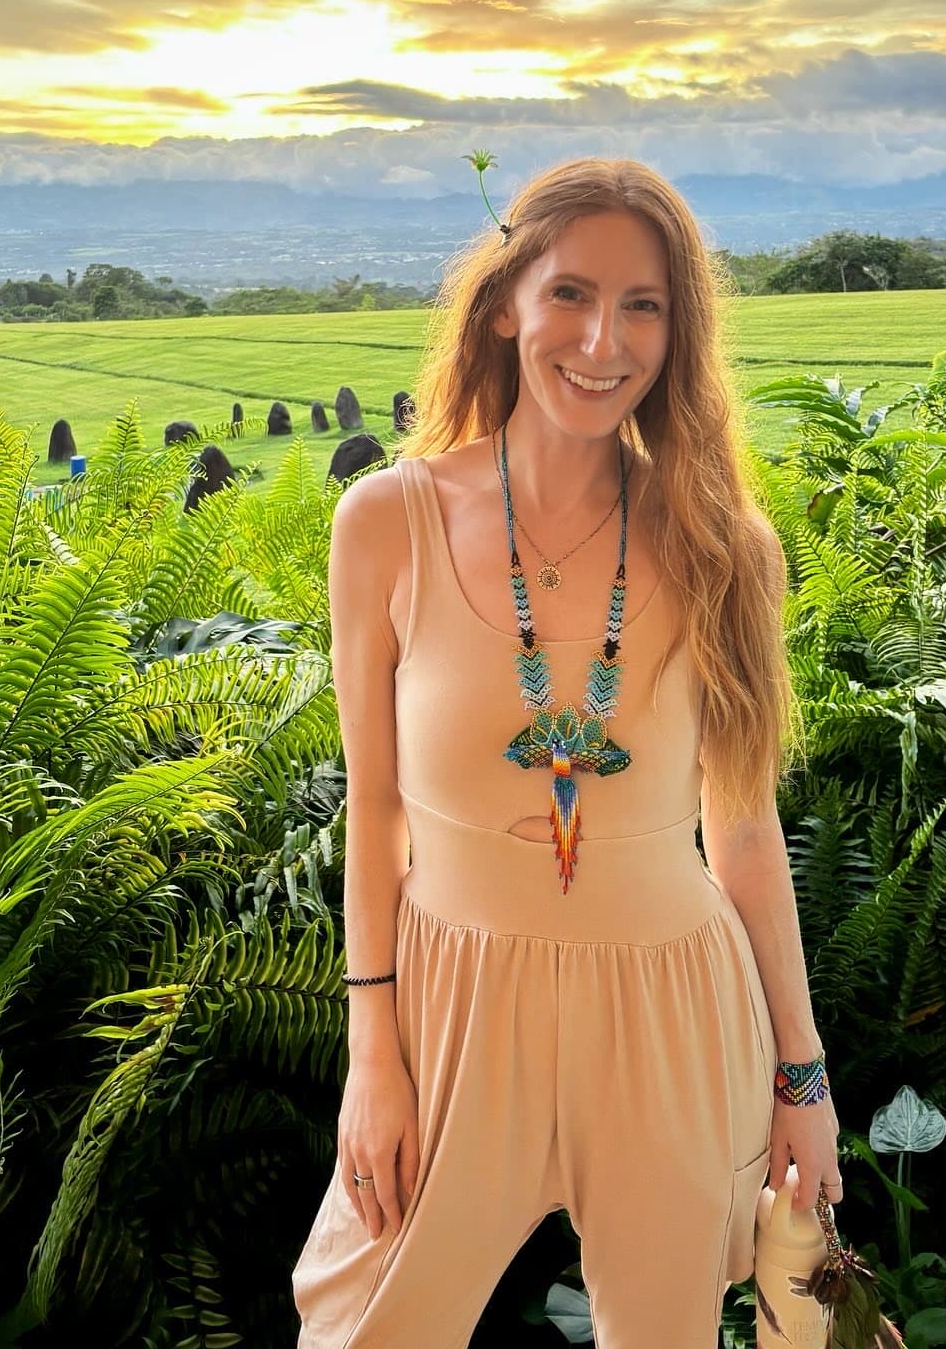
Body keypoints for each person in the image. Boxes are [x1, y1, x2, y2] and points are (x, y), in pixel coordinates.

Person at [292, 157, 842, 1347]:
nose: (604, 339)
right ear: (505, 304)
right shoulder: (387, 523)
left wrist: (804, 1082)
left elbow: (744, 833)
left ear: (677, 332)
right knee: (362, 1327)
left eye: (644, 305)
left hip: (670, 1004)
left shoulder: (724, 547)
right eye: (571, 294)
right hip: (448, 1004)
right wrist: (370, 1054)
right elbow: (374, 816)